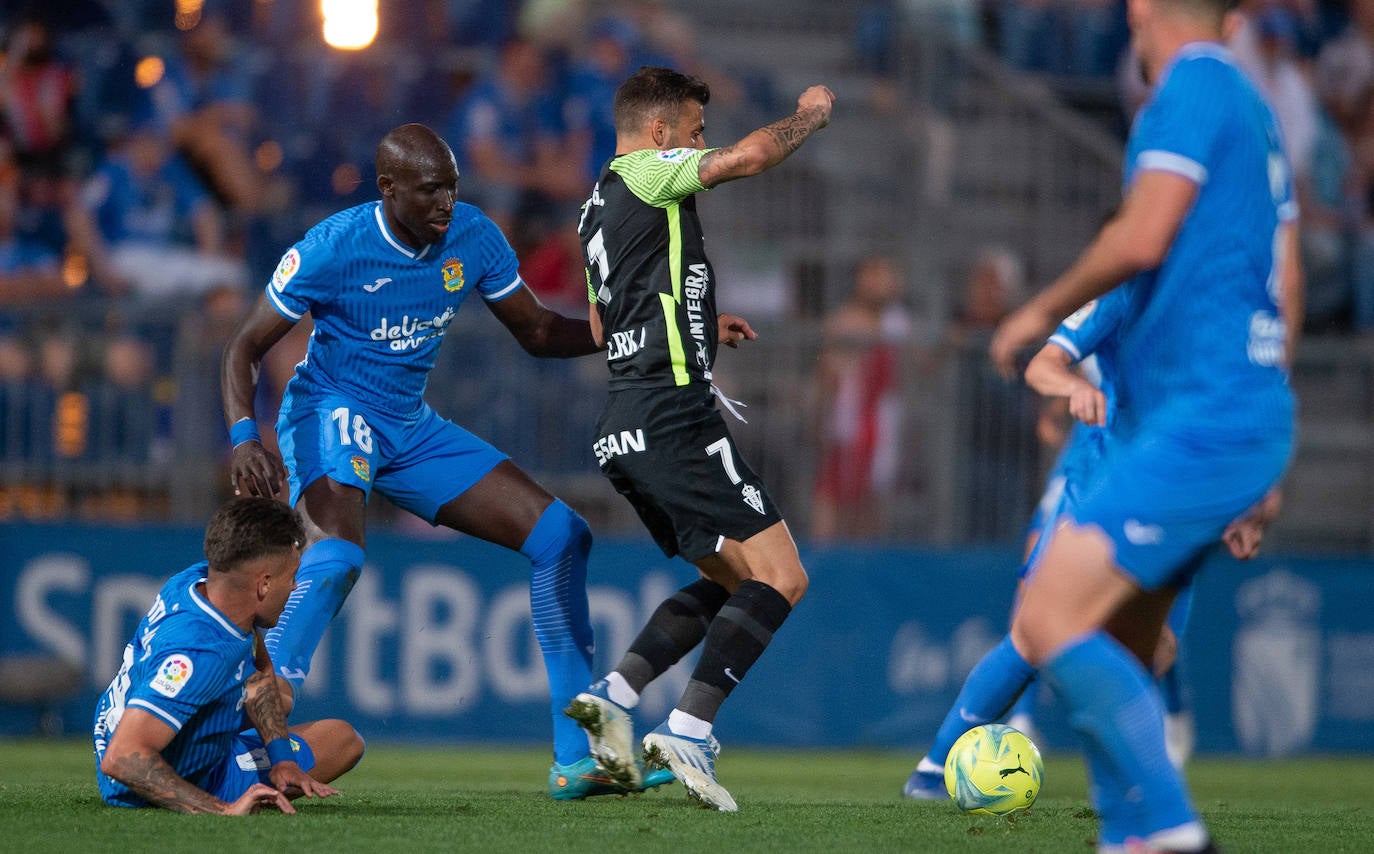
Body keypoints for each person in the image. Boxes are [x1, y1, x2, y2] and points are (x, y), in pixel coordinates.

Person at [220, 122, 668, 801]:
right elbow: (244, 348)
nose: (445, 205)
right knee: (338, 557)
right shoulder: (333, 247)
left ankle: (577, 758)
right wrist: (242, 435)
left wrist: (639, 334)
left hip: (408, 425)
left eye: (453, 189)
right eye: (430, 191)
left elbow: (539, 331)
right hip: (330, 410)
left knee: (561, 535)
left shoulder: (473, 236)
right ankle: (254, 725)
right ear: (389, 189)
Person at [985, 0, 1300, 846]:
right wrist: (1265, 446)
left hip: (1201, 417)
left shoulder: (1190, 90)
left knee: (1050, 617)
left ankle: (1169, 829)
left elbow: (1143, 234)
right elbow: (1287, 277)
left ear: (1139, 11)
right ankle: (1129, 834)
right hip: (1234, 412)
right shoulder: (1254, 111)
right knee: (1129, 645)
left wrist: (1037, 313)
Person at [564, 66, 834, 812]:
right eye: (693, 131)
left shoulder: (593, 210)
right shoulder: (650, 172)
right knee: (782, 578)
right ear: (658, 134)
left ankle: (615, 696)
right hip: (671, 415)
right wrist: (808, 113)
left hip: (622, 422)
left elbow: (601, 325)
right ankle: (687, 728)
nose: (700, 142)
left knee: (734, 583)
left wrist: (695, 325)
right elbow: (748, 158)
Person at [92, 497, 363, 813]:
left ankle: (230, 747)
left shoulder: (199, 582)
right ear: (263, 585)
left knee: (291, 702)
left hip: (156, 734)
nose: (294, 588)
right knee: (342, 743)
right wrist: (222, 809)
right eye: (292, 577)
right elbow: (122, 757)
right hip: (147, 779)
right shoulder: (198, 655)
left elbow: (261, 671)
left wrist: (281, 758)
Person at [810, 254, 912, 542]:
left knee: (871, 499)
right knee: (832, 492)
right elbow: (828, 373)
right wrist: (820, 414)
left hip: (882, 422)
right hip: (849, 420)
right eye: (872, 276)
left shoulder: (898, 322)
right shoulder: (844, 322)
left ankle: (864, 564)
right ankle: (826, 558)